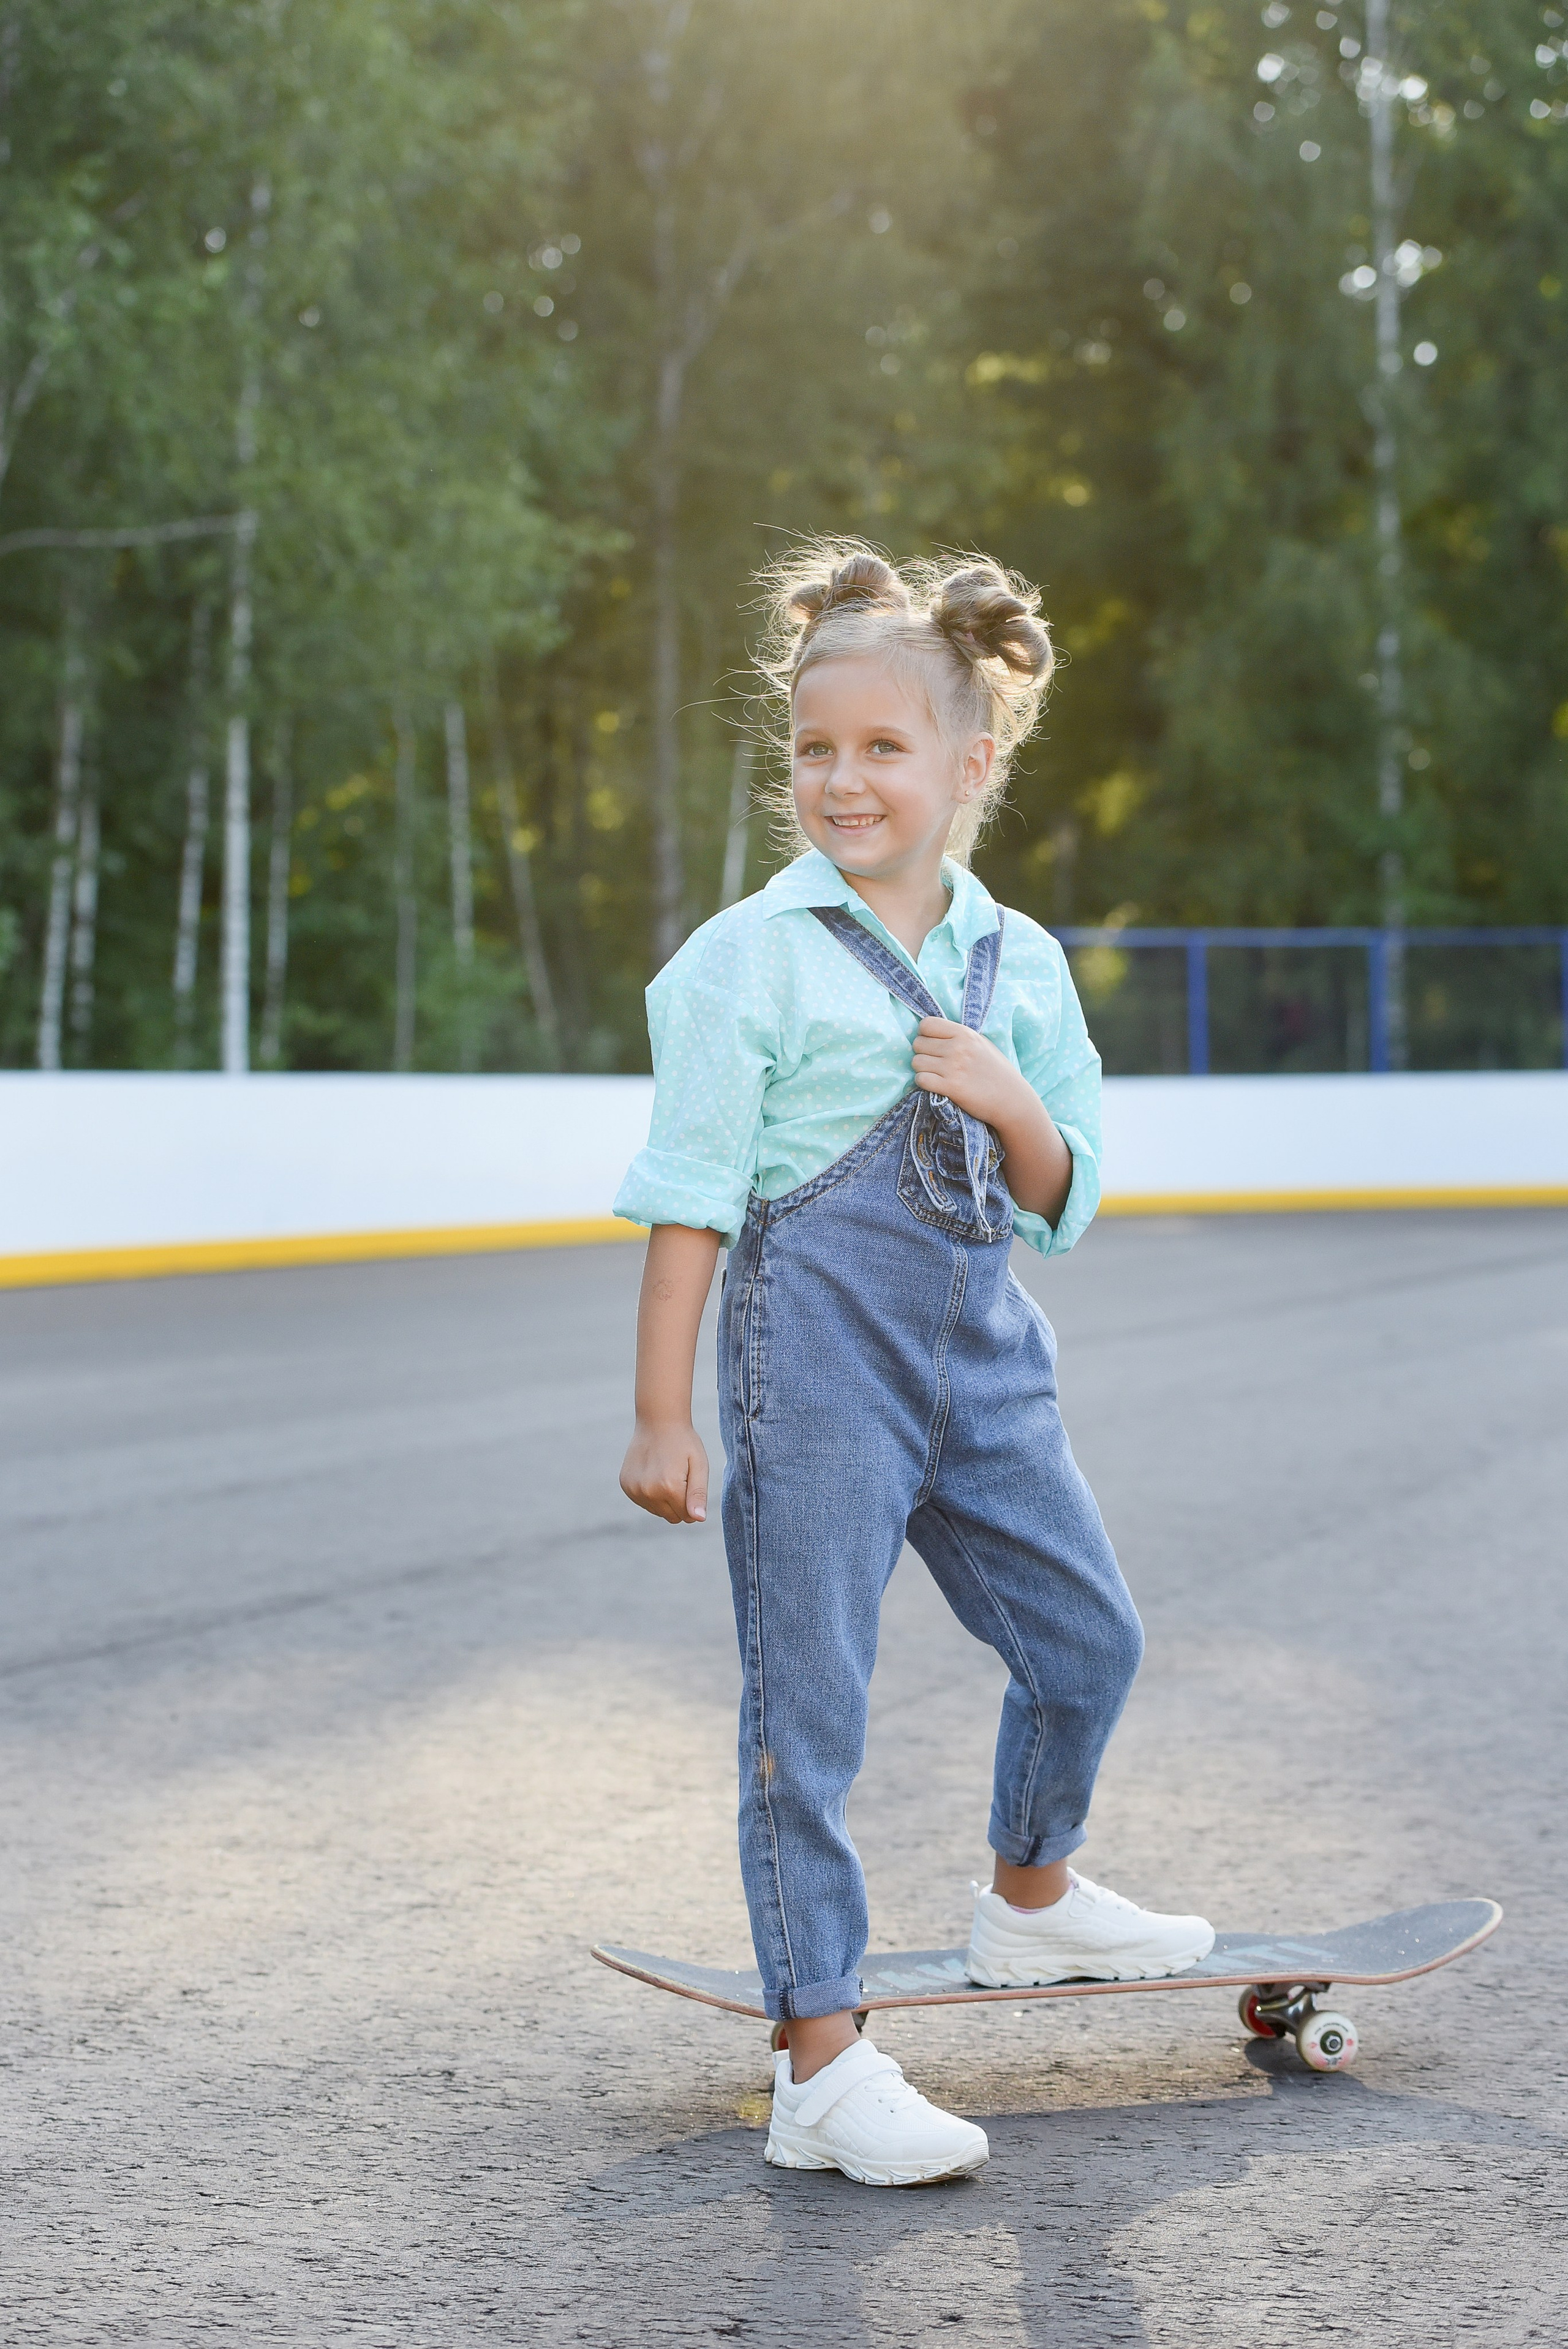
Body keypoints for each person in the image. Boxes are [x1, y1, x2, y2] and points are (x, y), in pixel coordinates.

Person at [614, 540, 1213, 2188]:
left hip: (988, 1370)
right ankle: (822, 2058)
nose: (844, 779)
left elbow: (1066, 1186)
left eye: (884, 748)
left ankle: (1032, 1895)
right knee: (808, 1710)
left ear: (973, 762)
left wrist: (1012, 1102)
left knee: (1090, 1637)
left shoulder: (1017, 960)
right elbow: (687, 1205)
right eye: (817, 748)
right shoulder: (750, 960)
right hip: (816, 1382)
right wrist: (665, 1411)